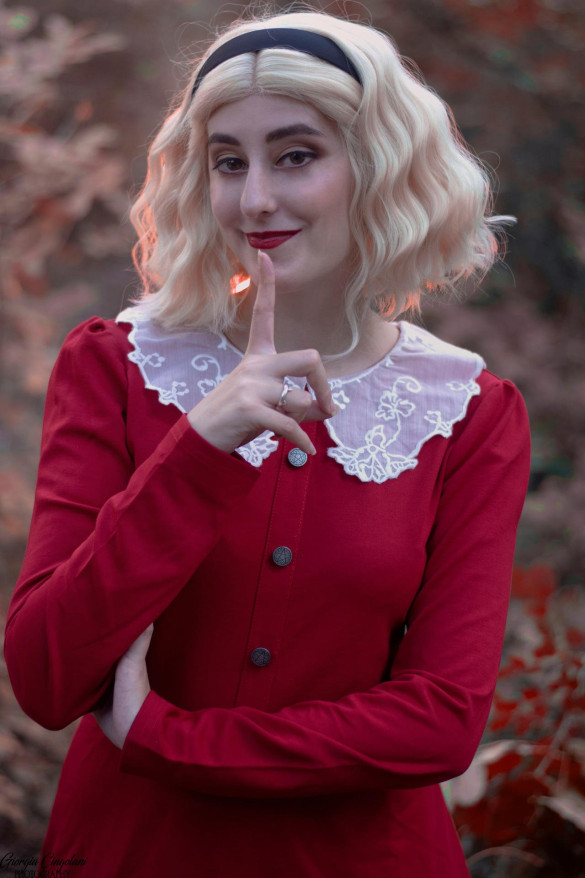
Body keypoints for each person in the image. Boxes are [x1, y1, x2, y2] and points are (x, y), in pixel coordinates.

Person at [4, 8, 531, 877]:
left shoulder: (467, 413)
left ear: (378, 166)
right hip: (134, 854)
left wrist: (168, 737)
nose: (254, 199)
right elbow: (46, 675)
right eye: (228, 162)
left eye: (295, 155)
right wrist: (198, 448)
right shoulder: (117, 366)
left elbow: (439, 722)